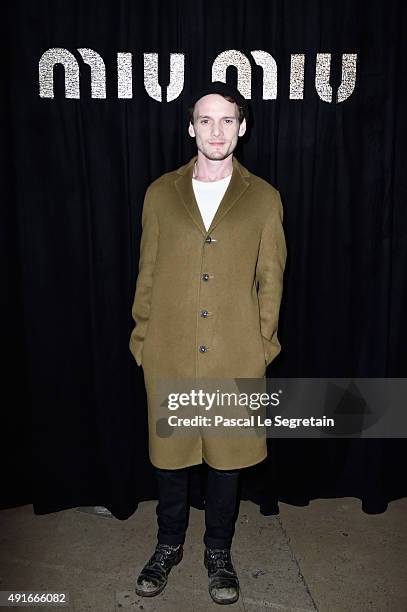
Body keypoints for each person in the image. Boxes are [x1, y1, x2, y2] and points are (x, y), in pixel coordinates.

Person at [129, 81, 287, 605]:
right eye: (205, 120)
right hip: (169, 352)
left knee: (227, 463)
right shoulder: (161, 193)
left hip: (233, 355)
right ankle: (167, 543)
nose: (215, 130)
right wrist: (143, 341)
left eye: (227, 120)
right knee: (170, 460)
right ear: (190, 127)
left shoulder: (263, 198)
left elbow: (272, 281)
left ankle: (218, 550)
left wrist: (260, 347)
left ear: (241, 128)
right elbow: (146, 274)